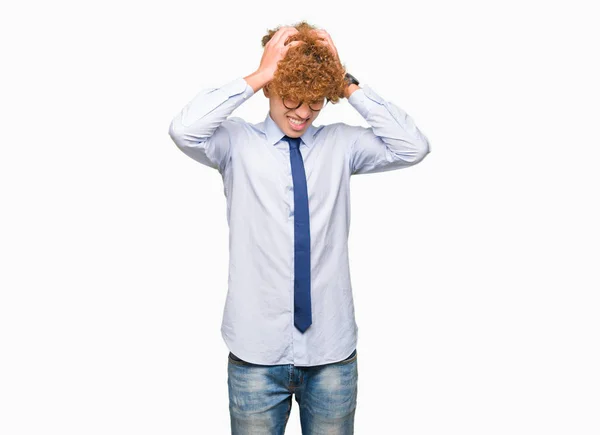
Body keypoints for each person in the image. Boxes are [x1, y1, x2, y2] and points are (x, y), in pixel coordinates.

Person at [168, 20, 431, 435]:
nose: (304, 112)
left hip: (331, 353)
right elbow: (183, 129)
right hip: (256, 353)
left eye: (315, 101)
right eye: (292, 96)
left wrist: (344, 82)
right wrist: (259, 75)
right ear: (272, 88)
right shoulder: (235, 143)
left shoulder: (341, 145)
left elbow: (413, 146)